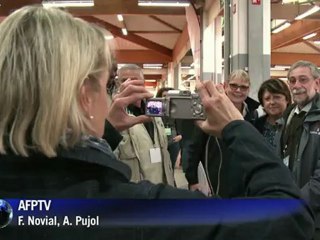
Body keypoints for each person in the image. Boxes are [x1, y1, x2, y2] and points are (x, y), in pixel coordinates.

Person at [0, 6, 314, 239]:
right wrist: (236, 128)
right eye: (109, 84)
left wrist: (104, 130)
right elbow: (290, 221)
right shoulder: (136, 210)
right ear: (84, 95)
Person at [185, 69, 259, 197]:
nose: (238, 90)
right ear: (225, 86)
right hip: (216, 176)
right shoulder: (210, 111)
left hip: (243, 178)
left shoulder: (253, 114)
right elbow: (194, 147)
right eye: (234, 85)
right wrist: (193, 180)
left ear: (248, 89)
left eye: (243, 87)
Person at [113, 65, 175, 186]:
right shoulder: (113, 114)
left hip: (161, 186)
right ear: (117, 84)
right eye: (124, 80)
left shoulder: (154, 109)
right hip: (135, 190)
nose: (129, 84)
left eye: (134, 80)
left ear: (143, 83)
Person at [278, 60, 320, 239]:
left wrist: (299, 201)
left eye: (303, 79)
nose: (297, 86)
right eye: (292, 81)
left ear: (317, 83)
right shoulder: (287, 117)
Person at [254, 78, 292, 148]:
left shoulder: (295, 123)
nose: (272, 102)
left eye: (277, 97)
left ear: (287, 99)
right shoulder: (256, 126)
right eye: (267, 99)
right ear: (262, 103)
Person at [156, 87, 182, 169]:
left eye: (169, 96)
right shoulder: (156, 108)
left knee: (171, 166)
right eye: (164, 95)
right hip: (158, 140)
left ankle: (170, 181)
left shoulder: (178, 109)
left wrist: (181, 136)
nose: (166, 98)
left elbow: (185, 126)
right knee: (158, 166)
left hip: (173, 140)